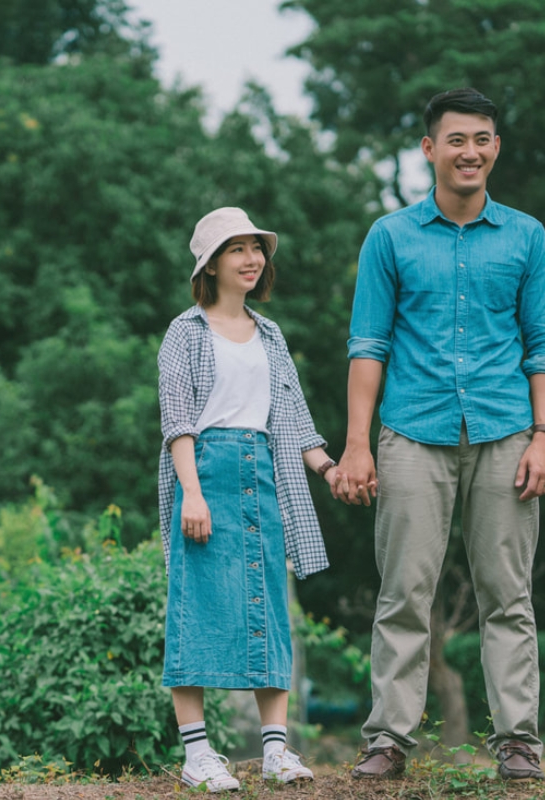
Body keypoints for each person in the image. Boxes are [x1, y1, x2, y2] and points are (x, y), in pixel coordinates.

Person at [335, 88, 545, 782]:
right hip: (411, 432)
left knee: (509, 594)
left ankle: (518, 742)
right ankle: (390, 742)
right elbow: (368, 344)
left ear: (496, 147)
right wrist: (356, 443)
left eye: (483, 138)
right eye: (456, 139)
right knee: (404, 591)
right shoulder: (390, 236)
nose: (471, 151)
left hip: (506, 432)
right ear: (430, 148)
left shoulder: (526, 236)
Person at [157, 207, 351, 792]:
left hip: (263, 476)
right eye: (236, 249)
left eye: (256, 248)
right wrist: (192, 492)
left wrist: (330, 468)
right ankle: (198, 755)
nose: (251, 259)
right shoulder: (183, 332)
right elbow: (177, 421)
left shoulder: (270, 334)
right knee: (194, 609)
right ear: (211, 264)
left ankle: (275, 751)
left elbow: (292, 418)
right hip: (206, 473)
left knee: (269, 611)